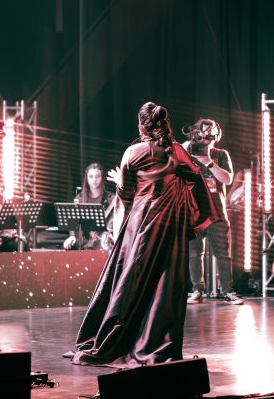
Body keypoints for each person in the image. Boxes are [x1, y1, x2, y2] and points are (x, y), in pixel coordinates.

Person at [68, 102, 218, 367]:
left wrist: (122, 199)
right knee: (165, 287)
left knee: (130, 282)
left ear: (140, 126)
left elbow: (126, 195)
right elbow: (196, 177)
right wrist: (184, 205)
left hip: (140, 227)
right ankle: (156, 343)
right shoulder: (177, 151)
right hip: (170, 229)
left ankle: (119, 339)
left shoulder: (132, 152)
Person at [183, 118, 244, 305]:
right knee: (194, 254)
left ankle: (228, 291)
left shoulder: (221, 154)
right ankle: (197, 290)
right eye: (203, 132)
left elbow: (227, 179)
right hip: (194, 211)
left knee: (223, 254)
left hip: (216, 211)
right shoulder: (188, 151)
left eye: (211, 132)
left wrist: (208, 162)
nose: (207, 136)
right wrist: (186, 149)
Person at [63, 163, 115, 251]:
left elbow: (113, 224)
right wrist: (72, 236)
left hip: (104, 243)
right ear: (86, 178)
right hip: (85, 243)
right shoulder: (80, 198)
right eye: (91, 176)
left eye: (97, 176)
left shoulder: (111, 199)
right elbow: (74, 221)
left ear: (102, 178)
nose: (94, 179)